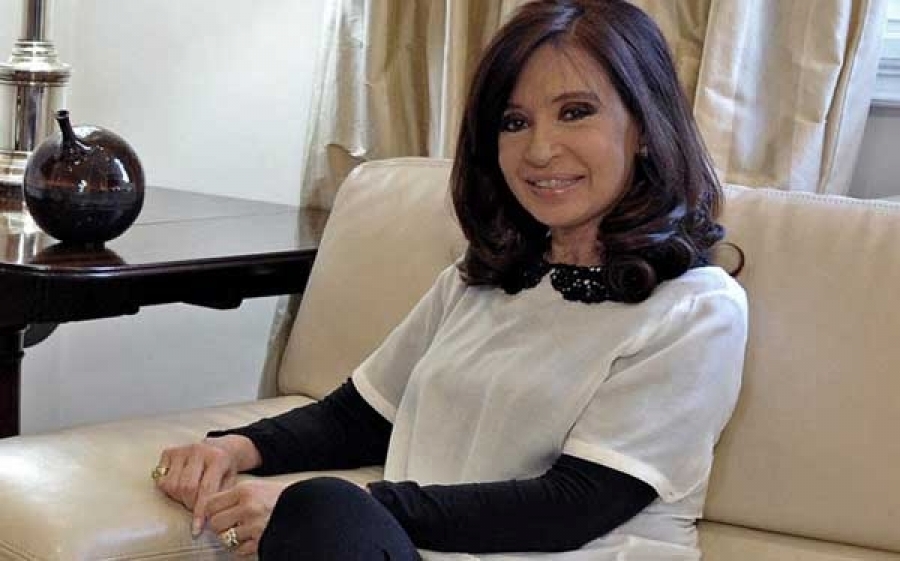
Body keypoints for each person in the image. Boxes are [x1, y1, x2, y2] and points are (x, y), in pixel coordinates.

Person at [153, 0, 748, 559]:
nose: (540, 150)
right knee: (322, 512)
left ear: (643, 125)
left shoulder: (696, 308)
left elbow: (575, 505)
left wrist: (353, 506)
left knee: (322, 510)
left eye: (575, 112)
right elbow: (362, 415)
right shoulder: (481, 280)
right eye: (514, 122)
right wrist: (230, 448)